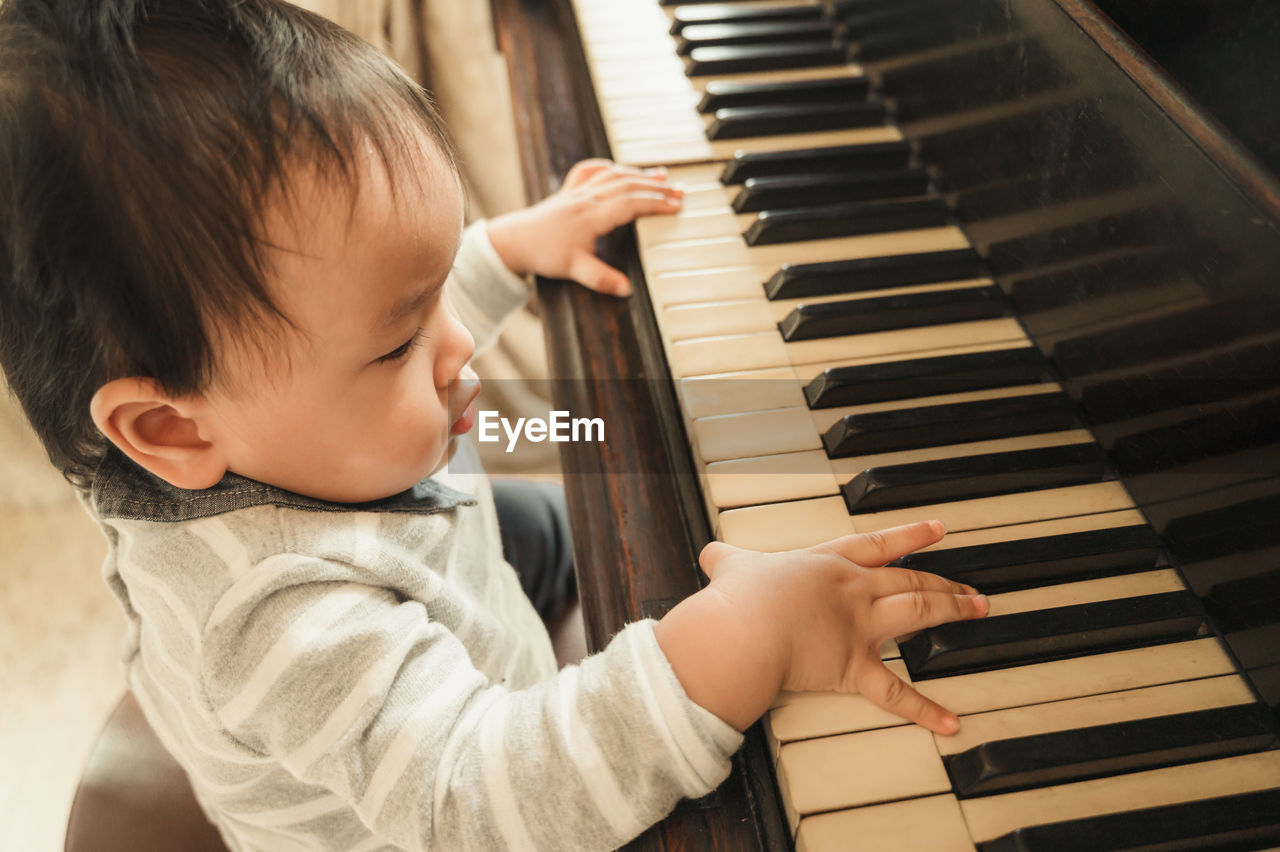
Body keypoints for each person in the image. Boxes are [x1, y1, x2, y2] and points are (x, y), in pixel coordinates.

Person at [0, 1, 989, 849]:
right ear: (170, 432)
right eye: (397, 344)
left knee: (544, 530)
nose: (460, 345)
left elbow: (354, 300)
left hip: (430, 550)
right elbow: (488, 800)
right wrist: (745, 635)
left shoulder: (234, 421)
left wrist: (502, 249)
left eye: (436, 294)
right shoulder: (285, 627)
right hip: (422, 815)